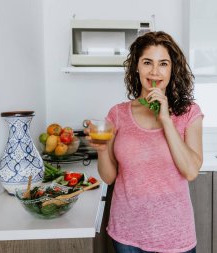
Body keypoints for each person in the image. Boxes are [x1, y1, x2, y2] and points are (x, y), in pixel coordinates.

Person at [86, 31, 203, 253]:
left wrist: (166, 120)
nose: (155, 72)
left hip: (175, 236)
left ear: (172, 69)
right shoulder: (118, 114)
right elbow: (109, 176)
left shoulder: (189, 113)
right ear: (136, 67)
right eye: (148, 62)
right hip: (127, 234)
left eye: (163, 64)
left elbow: (190, 171)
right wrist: (102, 150)